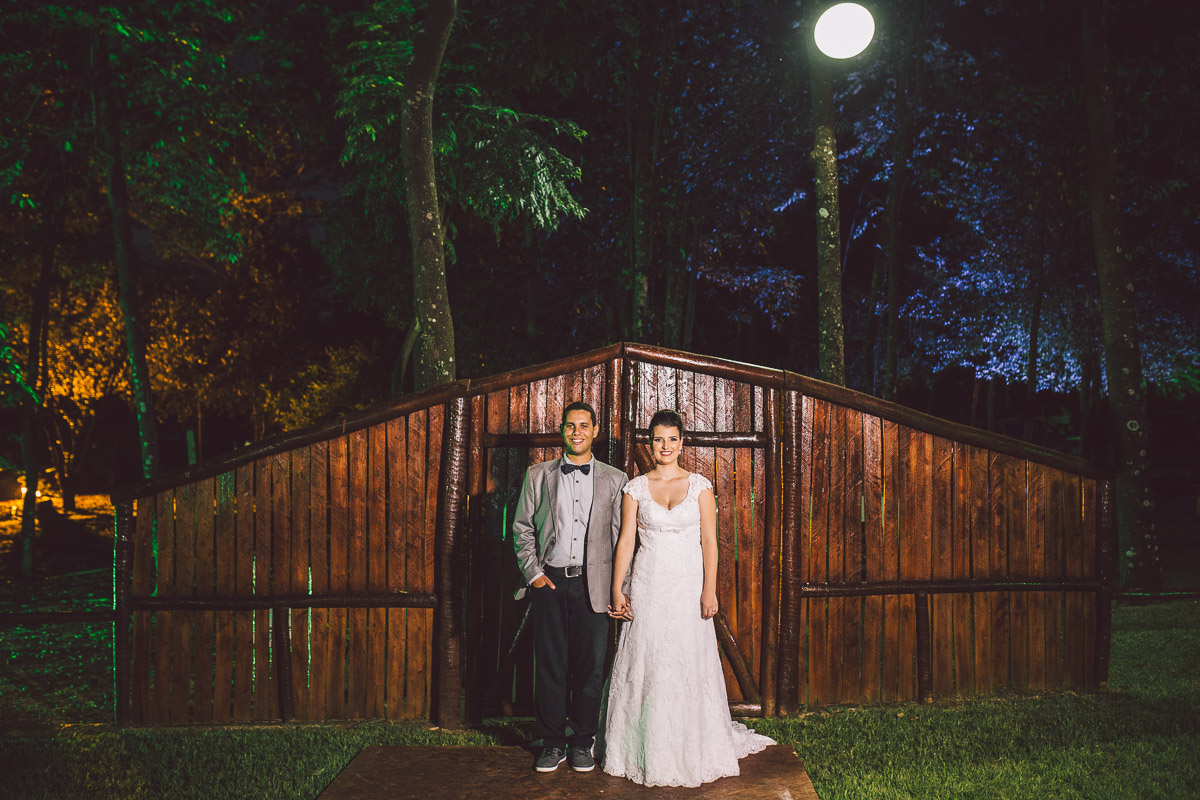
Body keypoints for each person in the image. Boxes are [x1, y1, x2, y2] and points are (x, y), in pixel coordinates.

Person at [600, 408, 774, 787]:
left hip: (687, 589)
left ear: (682, 442)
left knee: (687, 663)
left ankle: (694, 746)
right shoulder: (635, 488)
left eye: (672, 439)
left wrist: (709, 589)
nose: (665, 446)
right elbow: (626, 542)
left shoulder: (700, 486)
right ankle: (641, 746)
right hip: (647, 584)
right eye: (658, 439)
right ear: (651, 443)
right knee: (649, 662)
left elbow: (710, 542)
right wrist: (618, 588)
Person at [512, 401, 630, 773]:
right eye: (570, 426)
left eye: (584, 425)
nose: (577, 432)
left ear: (596, 431)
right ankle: (551, 742)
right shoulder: (537, 475)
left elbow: (622, 539)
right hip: (549, 582)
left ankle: (582, 741)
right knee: (549, 666)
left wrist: (618, 588)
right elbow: (522, 528)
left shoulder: (616, 479)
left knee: (591, 667)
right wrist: (534, 574)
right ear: (562, 431)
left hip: (593, 586)